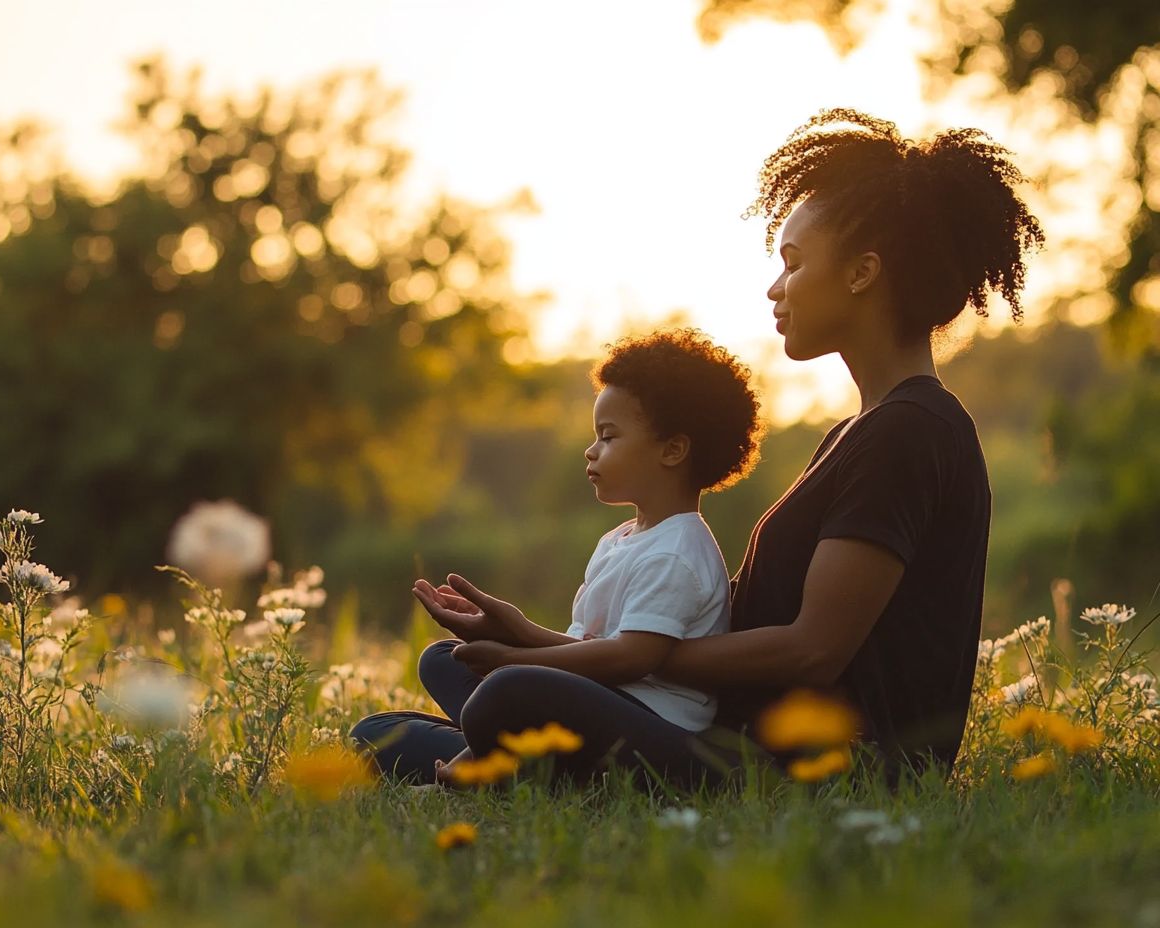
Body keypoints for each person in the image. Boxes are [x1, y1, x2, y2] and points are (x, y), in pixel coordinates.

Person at [353, 108, 1044, 788]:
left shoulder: (910, 432)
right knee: (448, 673)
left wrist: (594, 663)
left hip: (818, 769)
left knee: (504, 698)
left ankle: (508, 760)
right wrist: (532, 637)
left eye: (794, 263)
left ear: (862, 273)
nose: (775, 288)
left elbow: (813, 650)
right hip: (730, 734)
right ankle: (514, 759)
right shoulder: (859, 432)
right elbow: (678, 643)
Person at [350, 329, 761, 784]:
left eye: (608, 436)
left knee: (509, 687)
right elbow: (592, 651)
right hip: (589, 705)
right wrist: (515, 630)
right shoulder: (622, 539)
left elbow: (630, 660)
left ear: (673, 449)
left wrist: (512, 659)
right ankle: (519, 758)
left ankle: (483, 767)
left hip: (648, 736)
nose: (591, 450)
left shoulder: (678, 552)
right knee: (437, 666)